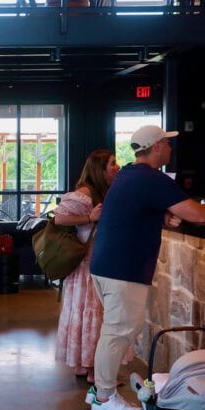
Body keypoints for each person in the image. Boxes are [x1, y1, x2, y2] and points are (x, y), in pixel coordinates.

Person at [88, 125, 205, 410]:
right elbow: (198, 214)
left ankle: (99, 390)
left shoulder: (128, 175)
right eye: (167, 144)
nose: (171, 149)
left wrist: (161, 215)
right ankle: (103, 397)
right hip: (123, 268)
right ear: (157, 146)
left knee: (115, 330)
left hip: (108, 265)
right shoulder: (152, 178)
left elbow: (134, 210)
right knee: (117, 332)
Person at [53, 149, 132, 383]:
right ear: (100, 169)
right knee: (95, 314)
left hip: (93, 264)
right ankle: (93, 371)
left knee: (86, 314)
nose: (117, 167)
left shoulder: (102, 192)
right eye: (112, 164)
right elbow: (59, 218)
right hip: (89, 265)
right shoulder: (85, 193)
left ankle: (83, 365)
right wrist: (89, 218)